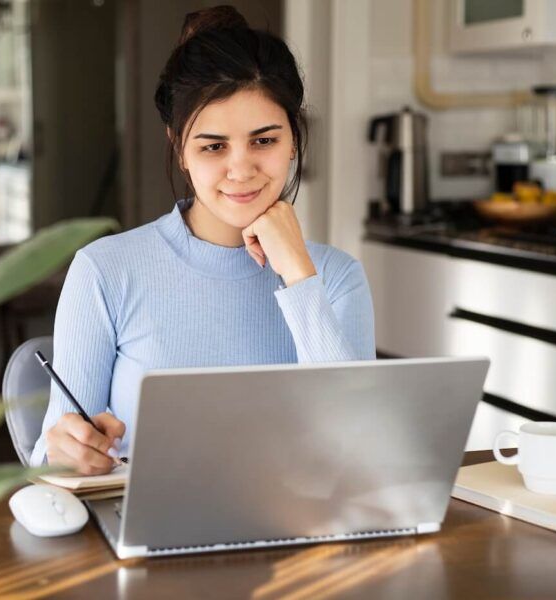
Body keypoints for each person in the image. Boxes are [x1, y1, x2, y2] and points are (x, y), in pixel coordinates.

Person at [30, 5, 375, 472]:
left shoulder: (334, 277)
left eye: (264, 140)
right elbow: (49, 465)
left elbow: (365, 452)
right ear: (179, 148)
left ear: (293, 138)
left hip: (299, 532)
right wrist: (68, 452)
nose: (241, 169)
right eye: (214, 146)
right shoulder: (105, 271)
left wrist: (298, 276)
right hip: (147, 535)